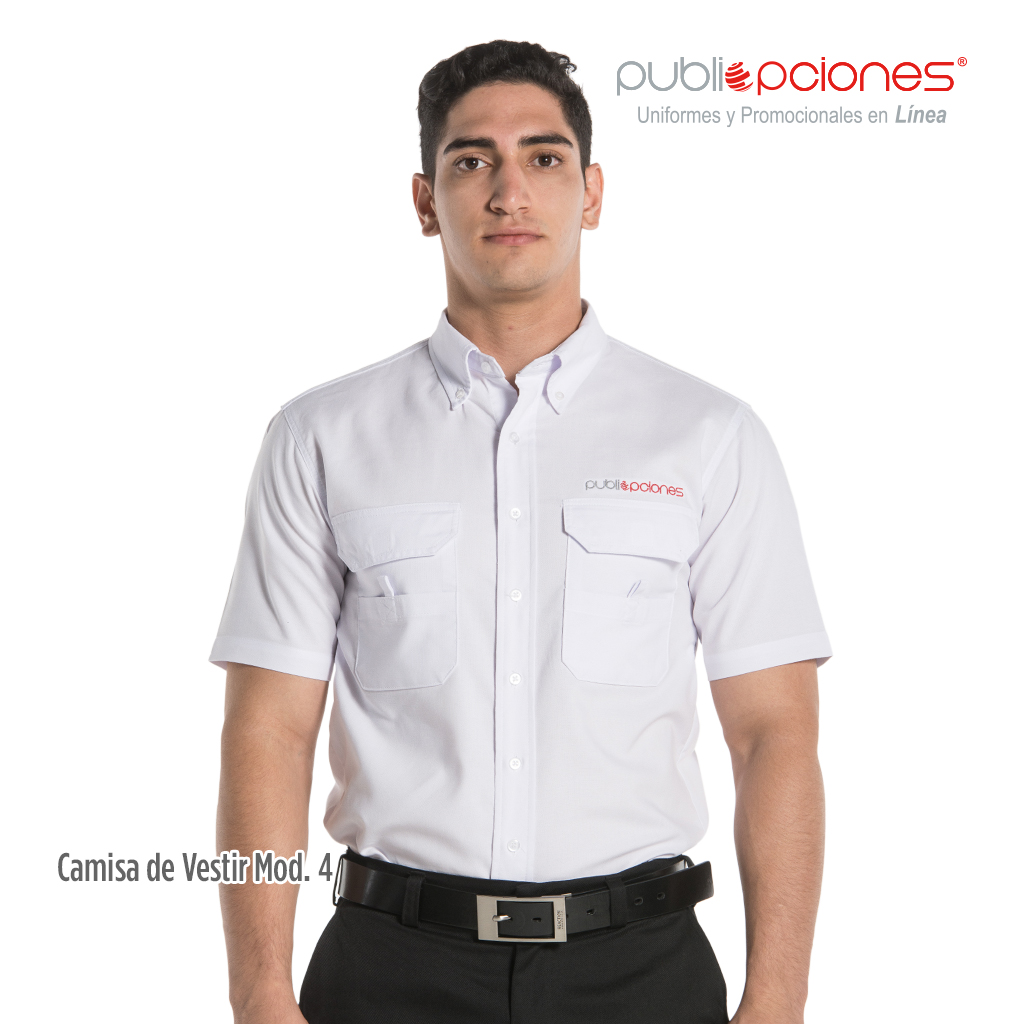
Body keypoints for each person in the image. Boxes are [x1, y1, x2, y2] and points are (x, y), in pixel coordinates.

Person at [212, 39, 830, 1024]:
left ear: (592, 193)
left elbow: (772, 735)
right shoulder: (320, 437)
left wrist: (778, 1001)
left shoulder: (709, 436)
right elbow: (269, 732)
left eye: (544, 157)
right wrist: (259, 997)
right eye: (473, 161)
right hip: (386, 973)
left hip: (642, 976)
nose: (510, 191)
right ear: (426, 202)